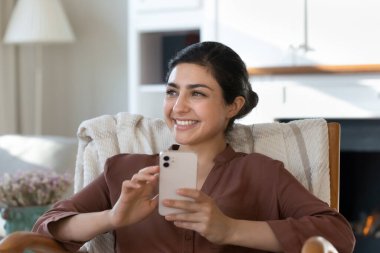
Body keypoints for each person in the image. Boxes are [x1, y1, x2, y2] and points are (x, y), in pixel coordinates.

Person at [33, 41, 355, 253]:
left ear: (233, 106)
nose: (178, 107)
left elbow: (339, 235)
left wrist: (230, 229)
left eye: (197, 94)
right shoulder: (125, 170)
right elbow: (47, 228)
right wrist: (113, 218)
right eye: (172, 92)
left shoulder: (262, 172)